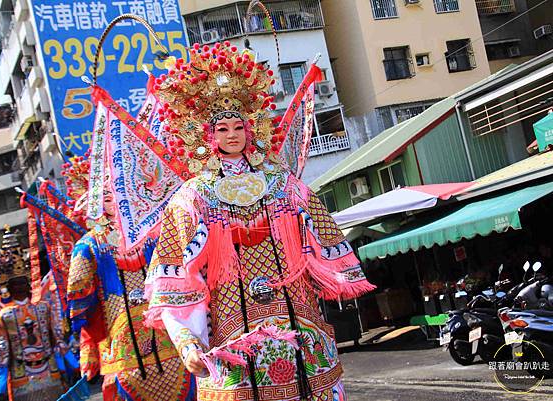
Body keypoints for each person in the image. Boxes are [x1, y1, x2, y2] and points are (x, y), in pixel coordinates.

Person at [144, 42, 376, 401]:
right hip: (230, 331)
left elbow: (321, 231)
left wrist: (327, 267)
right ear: (205, 135)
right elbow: (177, 272)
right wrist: (187, 339)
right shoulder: (194, 197)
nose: (232, 135)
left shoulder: (282, 184)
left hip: (298, 321)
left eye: (238, 126)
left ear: (251, 129)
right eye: (221, 129)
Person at [65, 156, 195, 401]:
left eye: (113, 190)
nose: (110, 198)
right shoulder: (90, 246)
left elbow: (80, 306)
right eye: (105, 193)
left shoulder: (154, 232)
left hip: (169, 343)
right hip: (132, 352)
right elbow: (81, 305)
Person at [0, 228, 66, 401]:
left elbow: (57, 340)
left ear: (28, 284)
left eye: (23, 282)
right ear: (8, 287)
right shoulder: (4, 316)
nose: (20, 287)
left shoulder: (43, 308)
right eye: (15, 283)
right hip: (22, 381)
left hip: (51, 375)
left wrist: (70, 366)